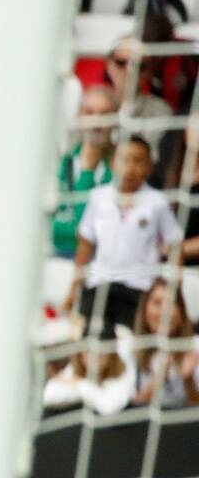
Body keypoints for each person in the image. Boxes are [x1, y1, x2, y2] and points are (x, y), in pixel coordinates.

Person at [70, 135, 193, 338]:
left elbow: (174, 246)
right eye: (124, 160)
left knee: (134, 344)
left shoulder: (157, 202)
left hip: (138, 289)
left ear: (149, 167)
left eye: (138, 161)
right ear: (112, 163)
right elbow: (86, 244)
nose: (130, 168)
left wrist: (171, 290)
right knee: (91, 340)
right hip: (99, 284)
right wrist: (74, 287)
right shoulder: (98, 198)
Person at [54, 86, 118, 259]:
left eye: (104, 114)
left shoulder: (122, 168)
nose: (96, 121)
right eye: (89, 112)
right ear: (79, 116)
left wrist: (87, 172)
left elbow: (91, 231)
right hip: (53, 254)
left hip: (97, 260)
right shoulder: (63, 161)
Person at [130, 279, 197, 409]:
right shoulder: (129, 349)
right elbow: (129, 412)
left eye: (171, 304)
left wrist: (189, 380)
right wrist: (159, 377)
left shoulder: (195, 348)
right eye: (157, 303)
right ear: (145, 309)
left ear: (181, 311)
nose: (164, 312)